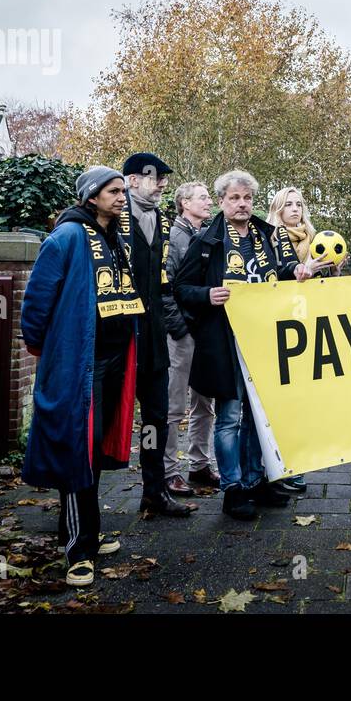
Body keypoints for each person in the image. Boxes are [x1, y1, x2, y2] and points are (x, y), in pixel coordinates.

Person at [174, 170, 322, 519]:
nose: (242, 205)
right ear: (222, 202)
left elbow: (282, 273)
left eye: (247, 198)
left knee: (260, 415)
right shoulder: (207, 242)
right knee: (229, 416)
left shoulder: (269, 235)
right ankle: (233, 488)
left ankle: (257, 480)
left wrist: (299, 272)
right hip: (225, 341)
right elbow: (181, 288)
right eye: (234, 198)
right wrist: (207, 294)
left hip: (265, 339)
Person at [21, 166, 138, 587]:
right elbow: (36, 303)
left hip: (111, 360)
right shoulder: (68, 237)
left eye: (123, 190)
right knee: (78, 452)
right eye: (113, 191)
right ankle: (78, 550)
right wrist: (49, 350)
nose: (121, 196)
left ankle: (80, 529)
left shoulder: (114, 238)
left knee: (95, 450)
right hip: (79, 363)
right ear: (92, 196)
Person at [121, 151, 195, 517]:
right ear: (132, 180)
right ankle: (81, 503)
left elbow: (164, 282)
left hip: (153, 338)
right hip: (118, 337)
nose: (162, 182)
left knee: (156, 416)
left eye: (165, 177)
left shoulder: (163, 222)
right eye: (154, 176)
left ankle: (154, 489)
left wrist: (171, 323)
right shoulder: (111, 220)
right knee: (104, 418)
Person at [266, 185, 347, 493]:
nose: (295, 209)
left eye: (299, 204)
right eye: (288, 204)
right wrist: (299, 272)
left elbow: (325, 286)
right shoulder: (271, 240)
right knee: (280, 400)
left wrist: (334, 272)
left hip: (311, 324)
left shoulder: (318, 241)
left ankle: (297, 461)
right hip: (281, 324)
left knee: (303, 399)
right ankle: (277, 466)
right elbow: (272, 275)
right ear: (278, 209)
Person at [161, 181, 217, 497]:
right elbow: (163, 287)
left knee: (204, 402)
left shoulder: (206, 236)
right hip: (181, 334)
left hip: (204, 331)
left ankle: (199, 464)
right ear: (185, 203)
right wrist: (179, 328)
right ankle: (169, 472)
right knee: (174, 405)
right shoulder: (174, 237)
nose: (209, 202)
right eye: (203, 197)